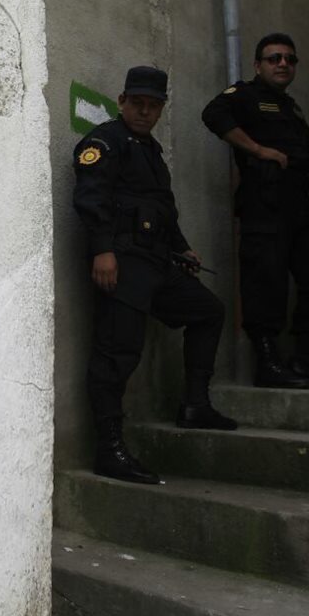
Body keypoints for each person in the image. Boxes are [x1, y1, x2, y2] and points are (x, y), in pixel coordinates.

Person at [74, 65, 236, 486]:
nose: (145, 112)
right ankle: (109, 449)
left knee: (207, 311)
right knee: (117, 355)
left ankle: (196, 404)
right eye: (138, 104)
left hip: (157, 263)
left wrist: (182, 248)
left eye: (154, 106)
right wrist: (102, 250)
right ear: (122, 101)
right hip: (122, 264)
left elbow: (162, 207)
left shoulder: (151, 151)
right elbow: (92, 199)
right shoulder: (105, 142)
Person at [201, 33, 309, 389]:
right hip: (265, 204)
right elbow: (212, 114)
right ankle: (267, 364)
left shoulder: (291, 107)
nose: (283, 64)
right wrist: (258, 150)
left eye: (290, 59)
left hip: (300, 206)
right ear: (258, 65)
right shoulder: (246, 95)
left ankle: (308, 357)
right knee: (266, 281)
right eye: (274, 58)